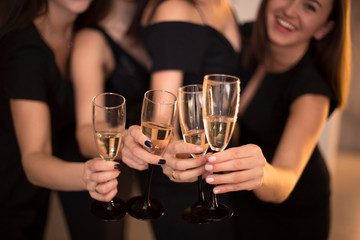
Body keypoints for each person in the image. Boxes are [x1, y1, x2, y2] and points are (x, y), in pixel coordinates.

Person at [152, 0, 351, 239]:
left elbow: (285, 180)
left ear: (324, 28)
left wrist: (263, 173)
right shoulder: (242, 37)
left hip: (289, 213)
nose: (289, 10)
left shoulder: (313, 91)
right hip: (238, 200)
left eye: (309, 7)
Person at [0, 0, 122, 239]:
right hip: (8, 188)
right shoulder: (22, 50)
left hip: (40, 189)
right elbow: (33, 160)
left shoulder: (85, 31)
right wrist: (88, 176)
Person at [121, 0, 241, 239]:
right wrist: (180, 160)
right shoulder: (175, 9)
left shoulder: (223, 7)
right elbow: (161, 118)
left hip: (215, 170)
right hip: (186, 179)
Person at [68, 0, 151, 238]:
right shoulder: (91, 40)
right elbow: (85, 133)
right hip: (100, 170)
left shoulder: (154, 31)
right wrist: (126, 143)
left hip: (142, 169)